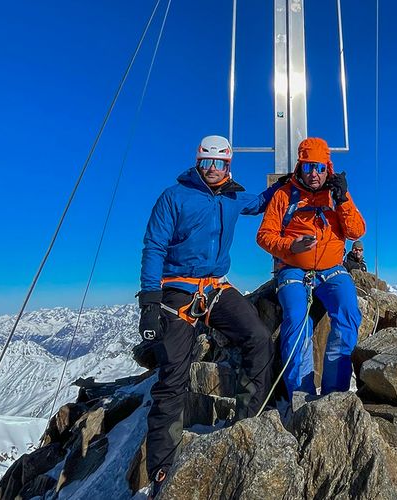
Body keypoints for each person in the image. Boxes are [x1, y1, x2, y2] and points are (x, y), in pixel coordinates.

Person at [138, 135, 280, 495]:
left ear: (229, 166)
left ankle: (249, 420)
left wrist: (292, 180)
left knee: (258, 337)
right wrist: (150, 302)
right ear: (197, 162)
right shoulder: (174, 197)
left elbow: (262, 201)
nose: (213, 170)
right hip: (178, 290)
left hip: (216, 287)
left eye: (220, 164)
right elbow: (154, 246)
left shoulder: (232, 197)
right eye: (206, 163)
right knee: (173, 376)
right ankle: (161, 469)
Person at [256, 137, 365, 399]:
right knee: (296, 318)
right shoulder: (284, 194)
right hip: (293, 269)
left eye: (318, 167)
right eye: (307, 167)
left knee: (349, 312)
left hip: (332, 269)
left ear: (327, 166)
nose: (313, 174)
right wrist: (291, 247)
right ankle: (301, 395)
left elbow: (356, 231)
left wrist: (343, 201)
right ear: (299, 167)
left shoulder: (336, 193)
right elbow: (264, 235)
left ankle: (334, 393)